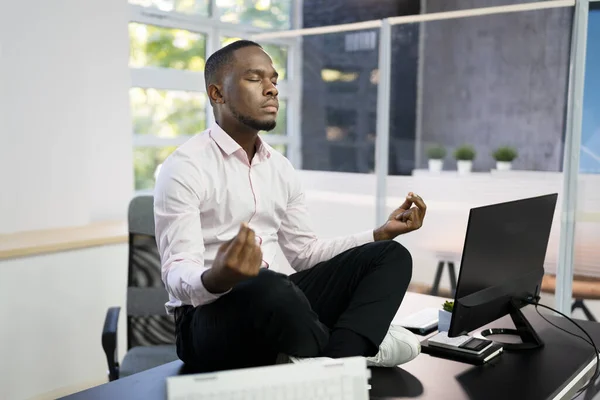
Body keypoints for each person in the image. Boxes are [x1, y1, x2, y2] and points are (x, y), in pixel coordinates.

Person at [154, 39, 427, 373]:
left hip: (276, 305)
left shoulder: (280, 168)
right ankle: (358, 345)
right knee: (270, 287)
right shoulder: (184, 167)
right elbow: (176, 271)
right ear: (217, 94)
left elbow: (305, 254)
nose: (271, 90)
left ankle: (334, 361)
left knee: (390, 255)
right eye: (255, 79)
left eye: (274, 80)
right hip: (206, 318)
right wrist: (217, 277)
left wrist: (381, 233)